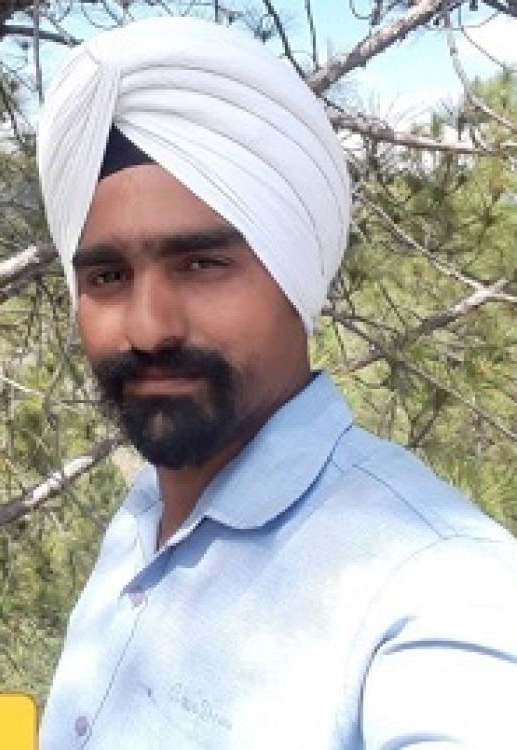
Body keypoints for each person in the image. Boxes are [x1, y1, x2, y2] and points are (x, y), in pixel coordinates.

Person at [36, 16, 517, 750]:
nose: (149, 328)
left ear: (296, 275)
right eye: (107, 276)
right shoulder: (144, 515)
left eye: (201, 265)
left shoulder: (434, 585)